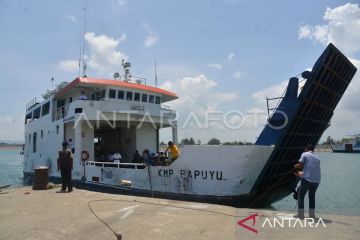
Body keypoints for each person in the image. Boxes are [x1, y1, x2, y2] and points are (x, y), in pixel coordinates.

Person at [294, 144, 321, 219]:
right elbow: (310, 168)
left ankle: (301, 215)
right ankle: (312, 215)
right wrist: (302, 173)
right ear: (313, 150)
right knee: (312, 197)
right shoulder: (317, 157)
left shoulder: (304, 154)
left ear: (306, 149)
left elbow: (300, 165)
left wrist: (295, 166)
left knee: (301, 196)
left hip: (307, 180)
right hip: (317, 181)